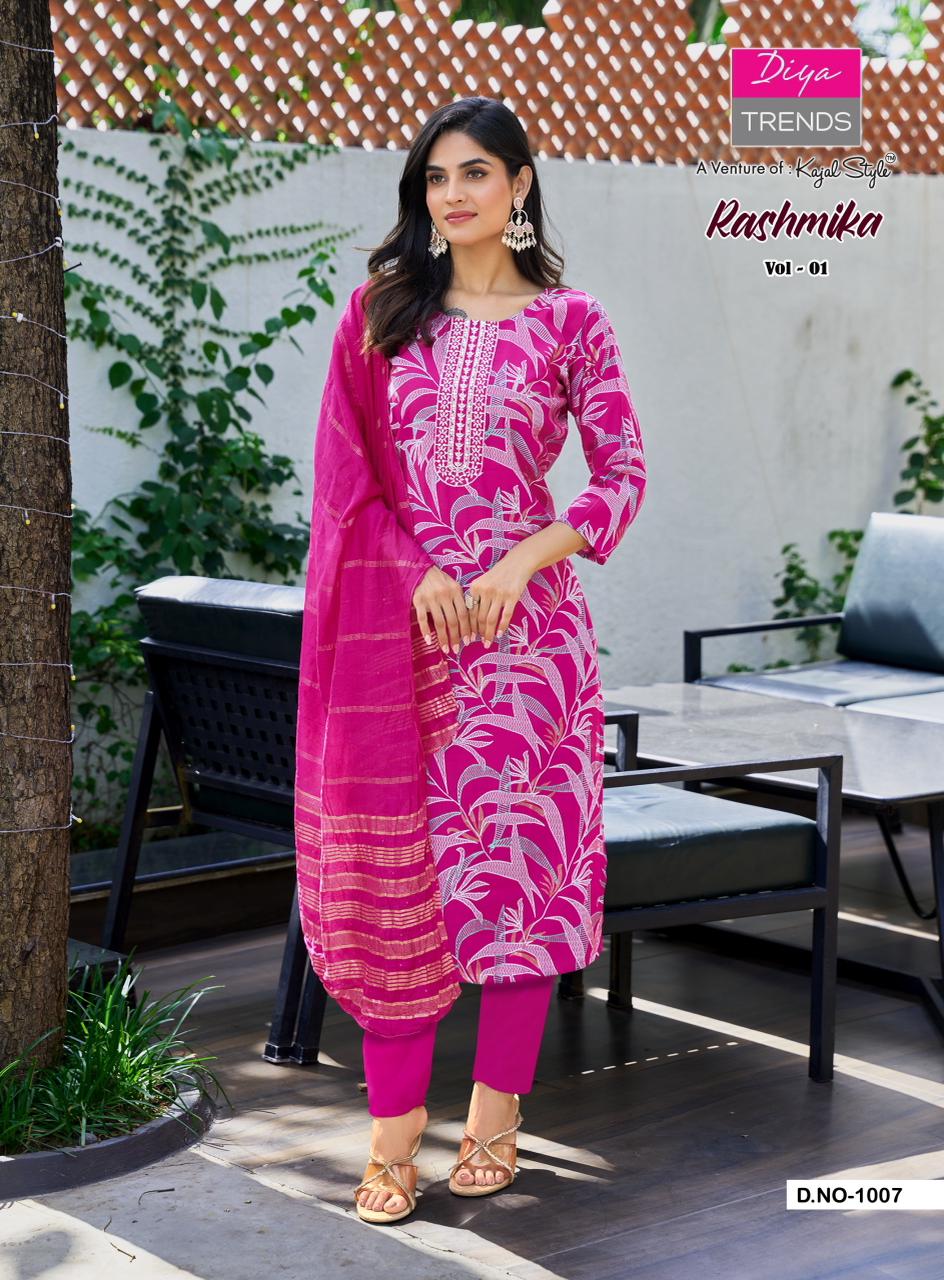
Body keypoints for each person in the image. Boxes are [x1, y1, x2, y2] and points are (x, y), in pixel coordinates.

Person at [294, 95, 647, 1226]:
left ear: (519, 183)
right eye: (435, 177)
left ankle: (495, 1117)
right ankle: (394, 1134)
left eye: (475, 172)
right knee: (402, 886)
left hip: (530, 653)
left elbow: (621, 477)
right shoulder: (381, 315)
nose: (452, 194)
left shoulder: (573, 322)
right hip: (403, 647)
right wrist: (421, 572)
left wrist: (518, 562)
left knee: (518, 884)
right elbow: (348, 485)